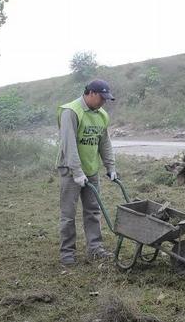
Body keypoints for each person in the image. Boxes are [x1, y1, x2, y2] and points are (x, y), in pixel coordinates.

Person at [56, 79, 118, 266]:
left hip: (91, 170)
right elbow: (69, 144)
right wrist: (76, 171)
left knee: (93, 211)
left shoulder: (101, 115)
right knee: (68, 213)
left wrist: (111, 167)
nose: (103, 102)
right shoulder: (71, 112)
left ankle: (95, 249)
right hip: (70, 171)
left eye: (106, 99)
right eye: (101, 98)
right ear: (90, 93)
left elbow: (104, 142)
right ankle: (67, 252)